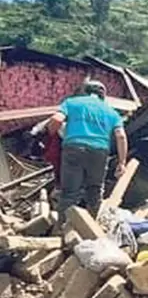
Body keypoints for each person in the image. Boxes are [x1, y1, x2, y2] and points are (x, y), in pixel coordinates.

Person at [39, 79, 127, 217]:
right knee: (94, 190)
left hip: (74, 147)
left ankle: (62, 228)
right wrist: (122, 163)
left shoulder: (72, 103)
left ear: (84, 91)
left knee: (69, 192)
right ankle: (91, 227)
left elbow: (56, 120)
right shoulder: (111, 112)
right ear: (103, 95)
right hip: (100, 151)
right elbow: (121, 136)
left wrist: (49, 135)